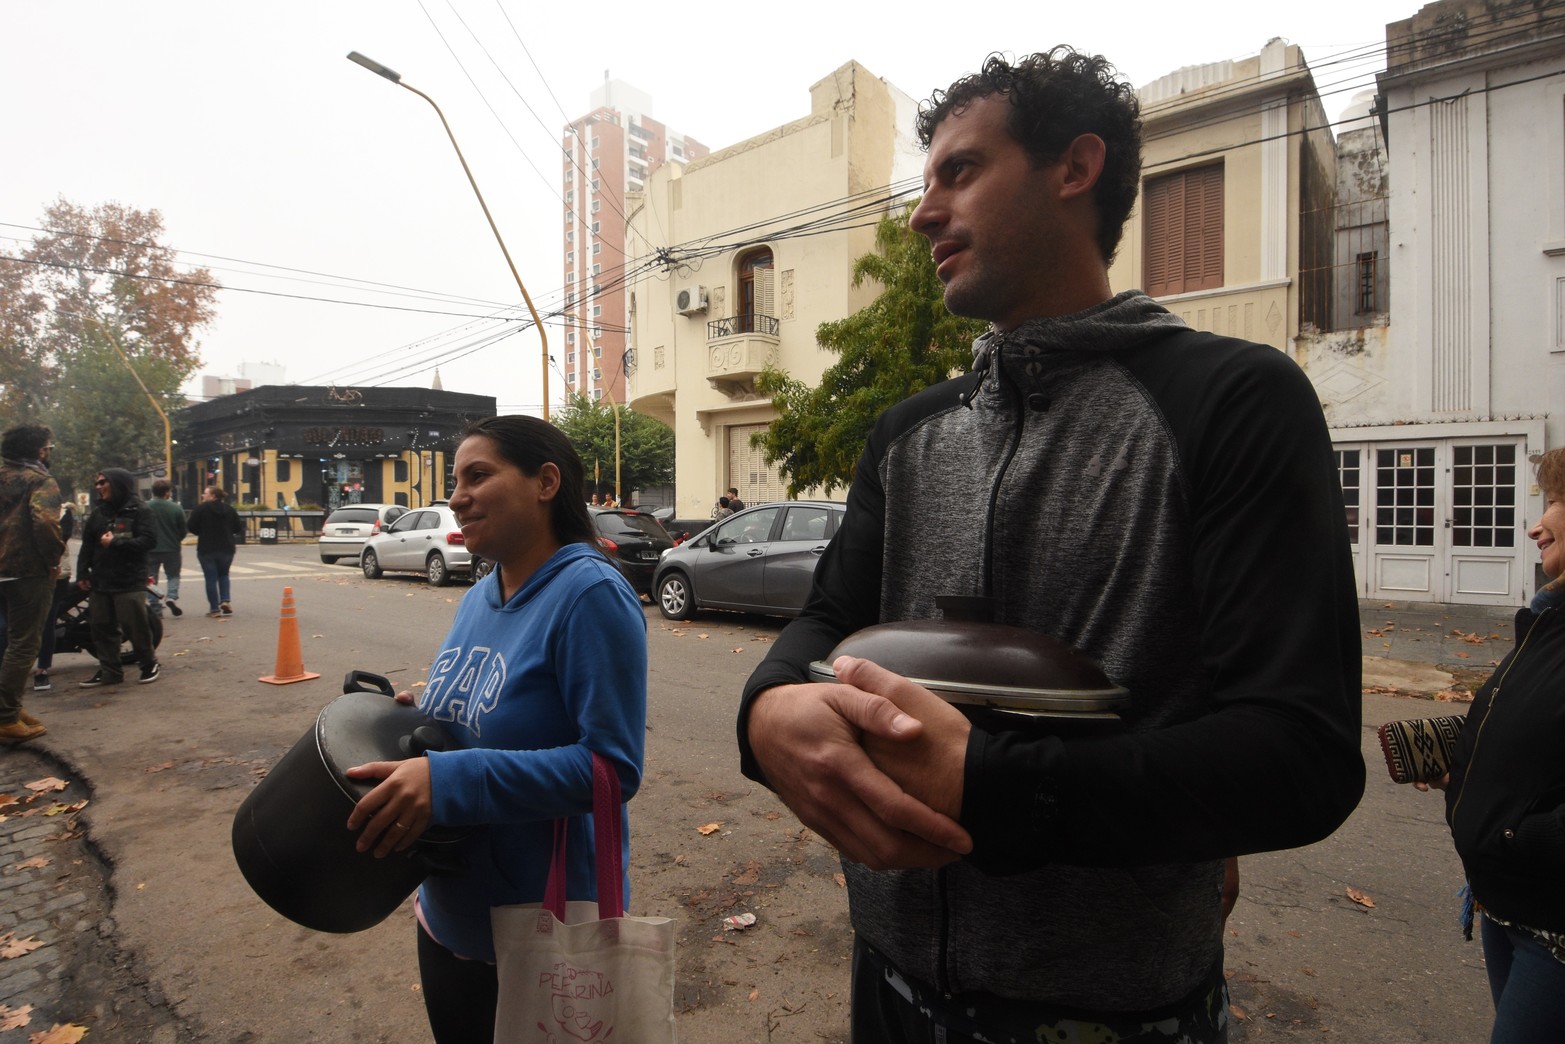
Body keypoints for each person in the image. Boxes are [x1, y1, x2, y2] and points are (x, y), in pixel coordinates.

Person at [737, 48, 1363, 1042]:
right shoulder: (906, 434)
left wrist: (985, 782)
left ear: (1073, 169)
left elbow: (1298, 757)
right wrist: (764, 711)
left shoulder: (1233, 401)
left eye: (959, 171)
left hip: (1116, 1016)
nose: (921, 214)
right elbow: (825, 615)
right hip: (888, 990)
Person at [343, 415, 648, 1043]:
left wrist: (453, 776)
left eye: (478, 476)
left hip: (539, 935)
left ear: (545, 482)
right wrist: (420, 721)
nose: (457, 496)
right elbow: (488, 713)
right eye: (456, 480)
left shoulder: (590, 594)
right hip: (446, 914)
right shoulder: (480, 594)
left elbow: (613, 770)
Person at [1417, 447, 1565, 1042]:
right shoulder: (1547, 620)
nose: (1536, 523)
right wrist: (1467, 764)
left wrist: (1512, 835)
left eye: (1556, 501)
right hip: (1508, 905)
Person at [0, 425, 64, 740]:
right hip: (27, 571)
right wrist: (53, 560)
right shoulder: (40, 481)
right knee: (24, 643)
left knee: (8, 642)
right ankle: (6, 716)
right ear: (40, 451)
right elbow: (46, 521)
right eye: (48, 447)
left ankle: (9, 705)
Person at [76, 469, 159, 687]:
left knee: (135, 626)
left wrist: (115, 543)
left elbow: (148, 542)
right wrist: (83, 572)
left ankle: (148, 664)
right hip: (101, 580)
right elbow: (88, 545)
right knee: (101, 626)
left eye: (103, 482)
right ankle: (110, 671)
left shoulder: (140, 510)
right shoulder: (99, 513)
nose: (98, 486)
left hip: (129, 580)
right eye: (97, 483)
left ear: (118, 484)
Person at [185, 485, 243, 618]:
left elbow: (191, 526)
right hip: (227, 548)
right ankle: (225, 600)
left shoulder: (200, 509)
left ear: (213, 496)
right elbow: (238, 527)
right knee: (224, 574)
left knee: (210, 578)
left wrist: (202, 531)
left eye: (205, 493)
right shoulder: (229, 510)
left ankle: (214, 609)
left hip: (207, 548)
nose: (202, 496)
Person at [145, 480, 186, 618]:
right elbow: (182, 530)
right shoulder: (176, 508)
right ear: (167, 492)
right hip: (172, 548)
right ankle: (171, 597)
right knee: (173, 575)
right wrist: (176, 539)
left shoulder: (144, 507)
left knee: (150, 579)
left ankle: (155, 607)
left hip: (149, 548)